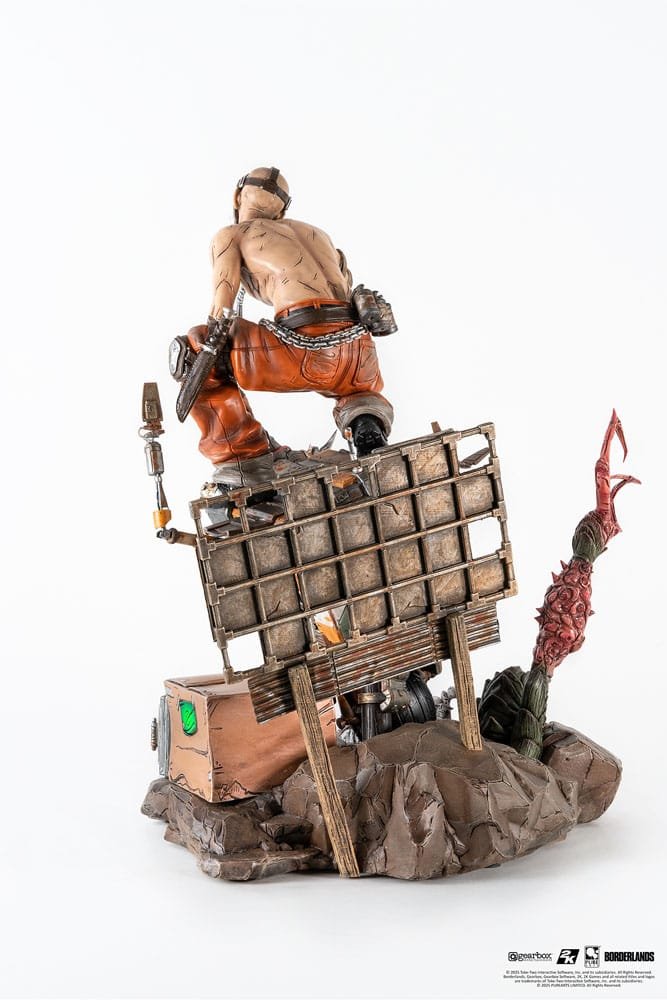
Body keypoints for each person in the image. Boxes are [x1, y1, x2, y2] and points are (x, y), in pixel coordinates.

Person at [173, 166, 396, 487]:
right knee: (354, 383)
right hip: (360, 358)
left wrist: (212, 351)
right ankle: (366, 422)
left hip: (303, 351)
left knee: (193, 347)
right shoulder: (317, 234)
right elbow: (346, 287)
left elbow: (221, 308)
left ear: (237, 196)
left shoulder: (231, 235)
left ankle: (245, 463)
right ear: (282, 210)